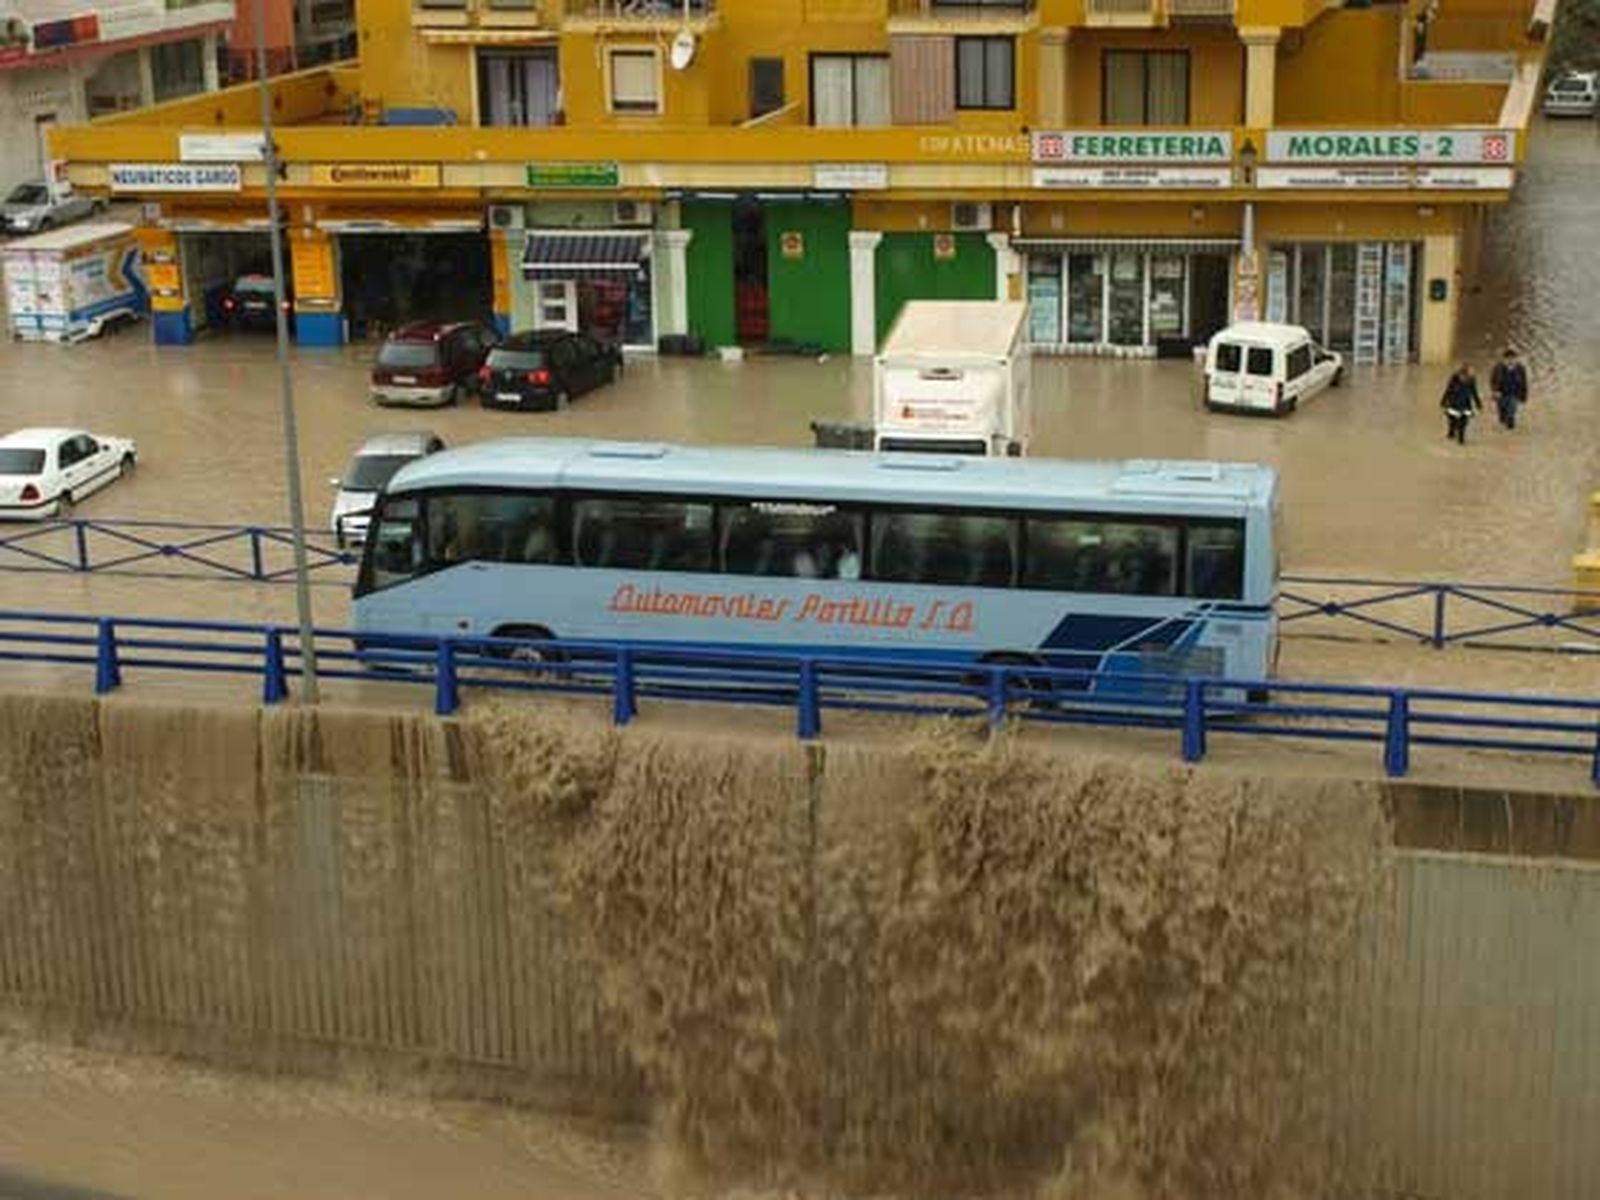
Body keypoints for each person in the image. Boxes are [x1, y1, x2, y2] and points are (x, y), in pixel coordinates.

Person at [1440, 364, 1481, 445]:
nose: (1464, 378)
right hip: (1454, 403)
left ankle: (1461, 437)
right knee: (1452, 419)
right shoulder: (1454, 380)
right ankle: (1451, 431)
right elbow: (1448, 390)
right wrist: (1443, 401)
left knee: (1464, 421)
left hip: (1465, 404)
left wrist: (1478, 404)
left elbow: (1474, 392)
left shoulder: (1471, 381)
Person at [1489, 347, 1529, 431]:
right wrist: (1494, 391)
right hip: (1501, 393)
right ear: (1504, 359)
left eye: (1513, 358)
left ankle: (1511, 427)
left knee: (1512, 411)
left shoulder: (1521, 368)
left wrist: (1524, 395)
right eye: (1508, 359)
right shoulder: (1498, 368)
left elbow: (1524, 382)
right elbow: (1493, 380)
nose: (1510, 361)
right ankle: (1504, 420)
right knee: (1502, 414)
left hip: (1514, 393)